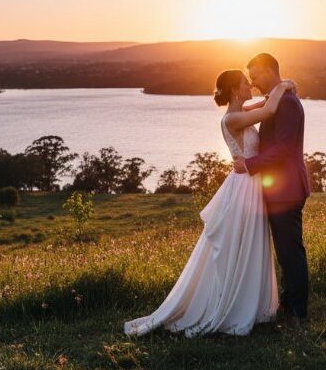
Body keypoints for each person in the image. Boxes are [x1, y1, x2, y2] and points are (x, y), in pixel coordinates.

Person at [123, 69, 297, 337]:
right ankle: (232, 304)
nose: (250, 84)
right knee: (240, 242)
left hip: (250, 184)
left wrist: (277, 90)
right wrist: (284, 84)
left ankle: (249, 301)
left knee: (249, 242)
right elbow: (269, 109)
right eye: (245, 82)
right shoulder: (233, 118)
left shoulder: (240, 110)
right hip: (244, 187)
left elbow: (263, 103)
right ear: (235, 90)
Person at [233, 52, 311, 322]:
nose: (253, 83)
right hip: (279, 189)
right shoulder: (276, 99)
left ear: (268, 70)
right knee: (284, 249)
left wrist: (249, 164)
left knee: (290, 250)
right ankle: (290, 302)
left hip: (287, 190)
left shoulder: (287, 103)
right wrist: (284, 84)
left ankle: (298, 310)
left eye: (254, 76)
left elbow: (284, 148)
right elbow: (242, 110)